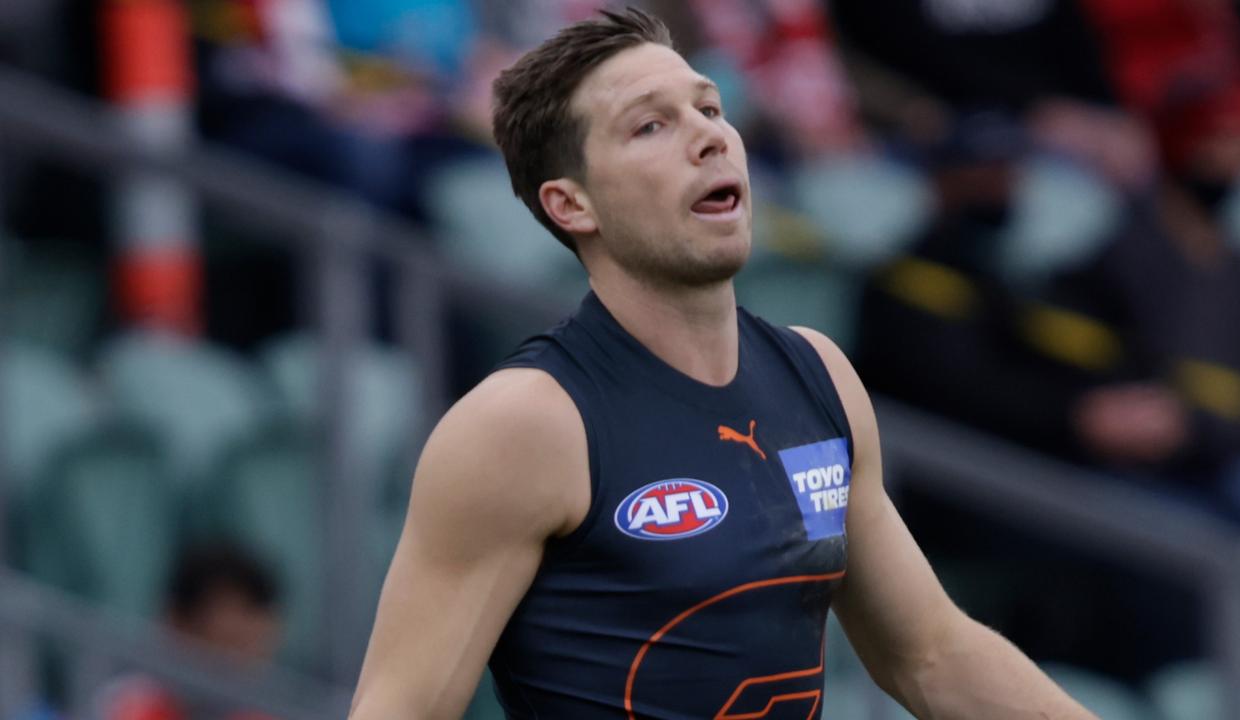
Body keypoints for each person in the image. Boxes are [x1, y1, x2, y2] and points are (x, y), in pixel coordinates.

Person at [350, 8, 1094, 719]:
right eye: (651, 125)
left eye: (709, 107)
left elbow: (931, 655)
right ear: (572, 205)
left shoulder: (818, 373)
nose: (709, 137)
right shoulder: (524, 423)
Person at [94, 544, 282, 720]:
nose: (243, 661)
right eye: (233, 642)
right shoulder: (126, 705)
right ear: (177, 621)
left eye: (256, 645)